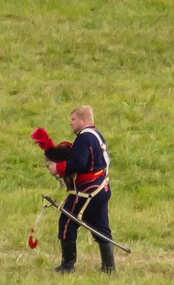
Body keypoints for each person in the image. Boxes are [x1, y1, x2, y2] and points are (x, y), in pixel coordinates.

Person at [36, 106, 113, 273]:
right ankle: (109, 267)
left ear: (83, 120)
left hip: (88, 190)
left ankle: (67, 266)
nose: (70, 123)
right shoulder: (96, 135)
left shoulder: (84, 138)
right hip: (101, 188)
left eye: (73, 119)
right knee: (100, 226)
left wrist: (58, 168)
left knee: (67, 221)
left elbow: (79, 163)